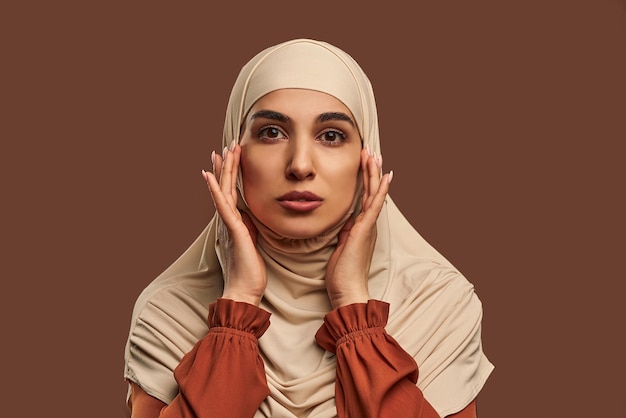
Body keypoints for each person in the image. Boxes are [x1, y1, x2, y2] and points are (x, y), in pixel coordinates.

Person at [123, 39, 494, 418]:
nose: (300, 165)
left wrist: (353, 302)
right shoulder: (167, 312)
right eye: (271, 133)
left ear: (367, 158)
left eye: (331, 135)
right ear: (234, 153)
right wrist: (238, 300)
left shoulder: (438, 306)